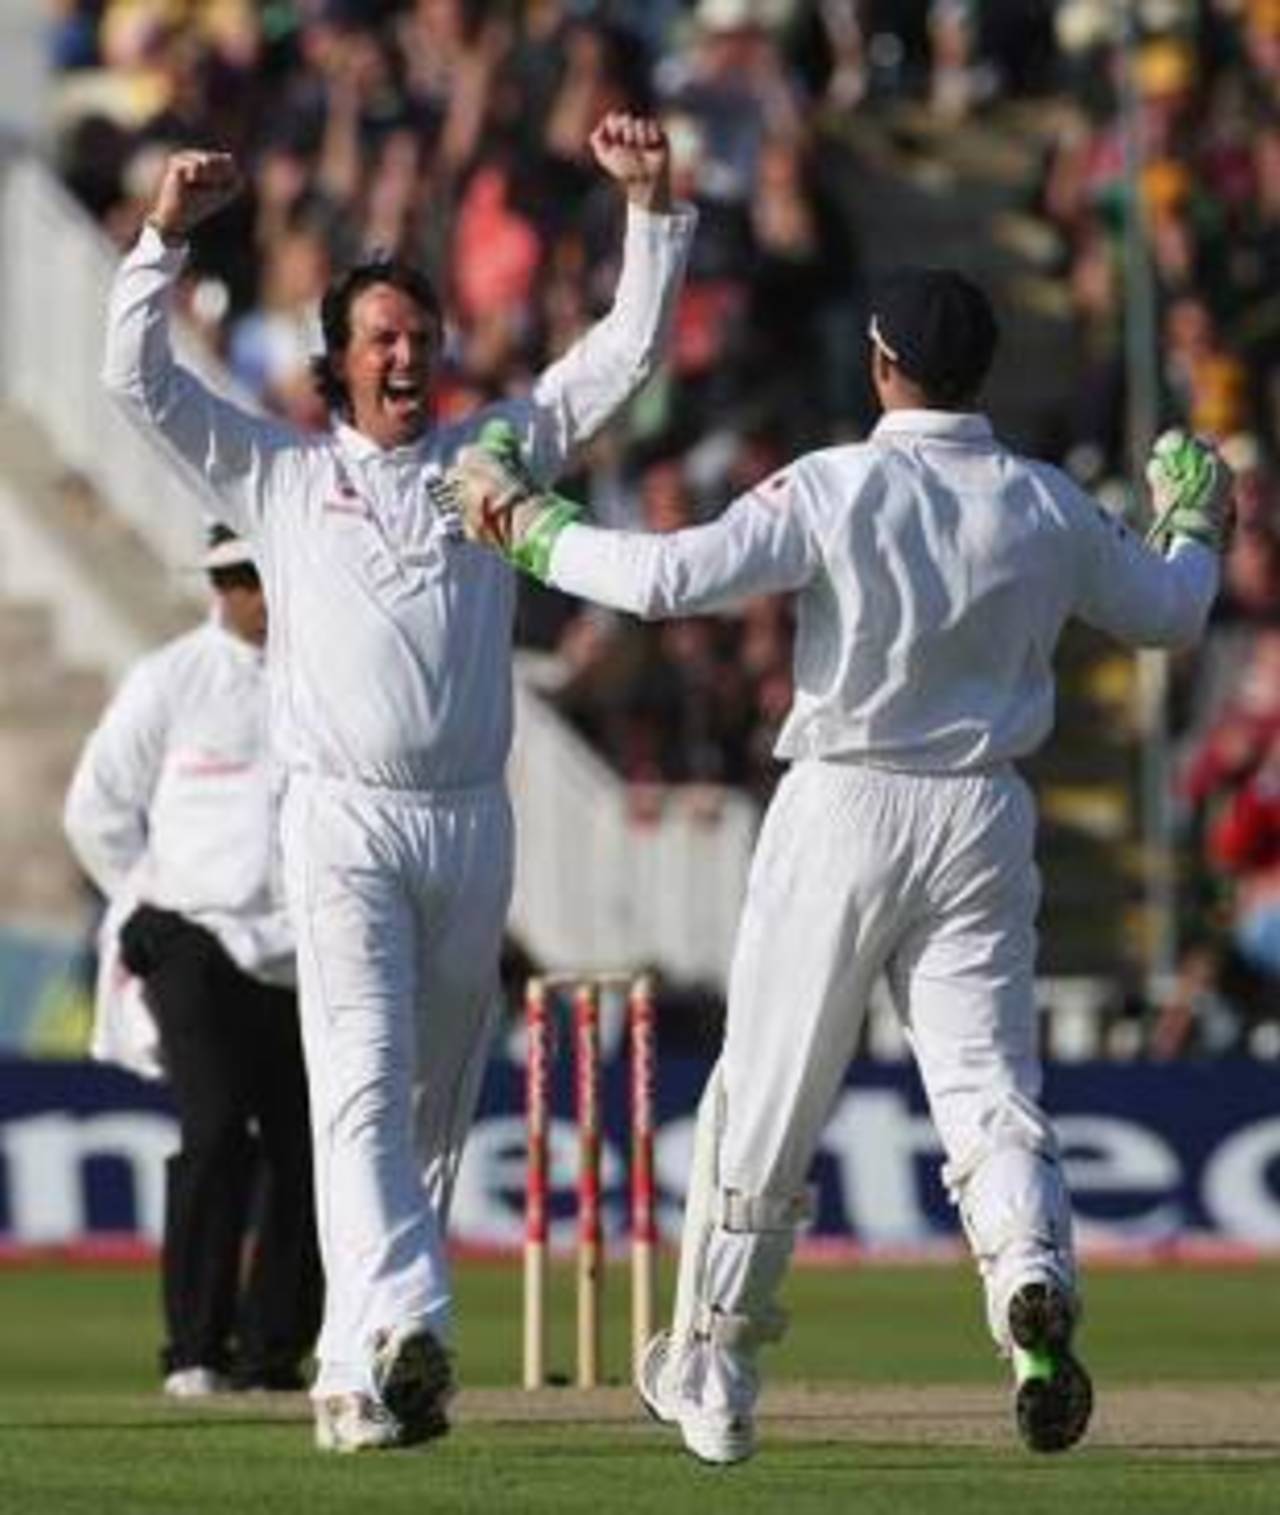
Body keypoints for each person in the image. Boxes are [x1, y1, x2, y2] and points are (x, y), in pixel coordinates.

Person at [445, 267, 1231, 1464]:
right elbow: (1172, 615)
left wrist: (523, 522)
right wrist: (1191, 520)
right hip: (979, 814)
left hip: (845, 806)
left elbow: (662, 583)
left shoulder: (836, 484)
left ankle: (712, 1366)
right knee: (984, 1089)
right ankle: (1028, 1280)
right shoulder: (1042, 502)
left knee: (765, 1093)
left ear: (879, 365)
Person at [101, 116, 695, 1451]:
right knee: (360, 1083)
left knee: (425, 1111)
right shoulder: (281, 473)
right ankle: (414, 1309)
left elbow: (624, 356)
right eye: (381, 338)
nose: (408, 355)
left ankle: (356, 1375)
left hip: (471, 825)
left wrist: (651, 208)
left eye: (422, 337)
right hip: (344, 819)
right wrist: (162, 236)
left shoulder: (494, 455)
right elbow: (136, 384)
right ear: (336, 363)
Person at [64, 527, 321, 1398]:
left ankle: (272, 1350)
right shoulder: (170, 677)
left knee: (306, 1148)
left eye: (263, 575)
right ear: (218, 582)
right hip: (191, 932)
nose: (253, 595)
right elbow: (96, 807)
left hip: (302, 942)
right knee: (214, 1132)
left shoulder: (324, 678)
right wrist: (143, 893)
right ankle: (196, 1350)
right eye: (236, 578)